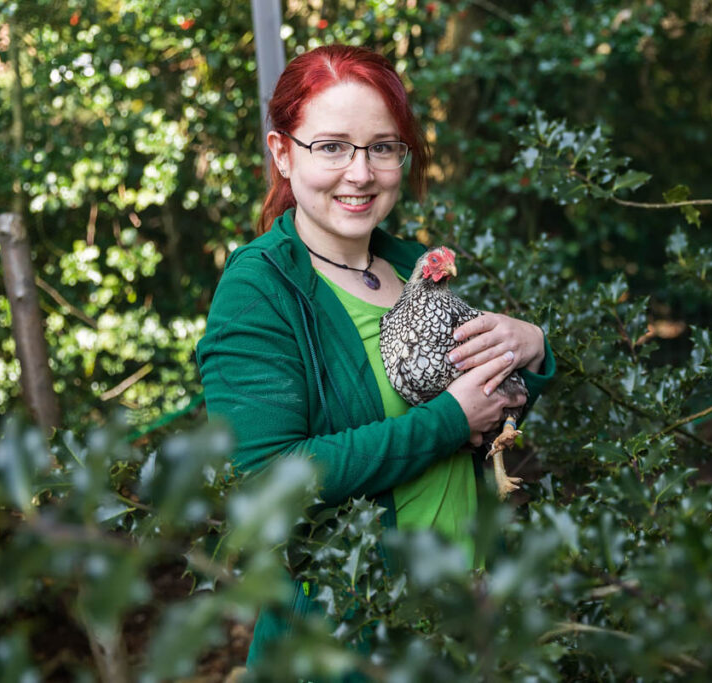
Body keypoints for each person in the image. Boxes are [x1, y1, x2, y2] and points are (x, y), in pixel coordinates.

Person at [196, 45, 555, 667]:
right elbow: (266, 478)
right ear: (282, 153)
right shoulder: (260, 291)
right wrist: (448, 421)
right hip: (351, 633)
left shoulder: (414, 264)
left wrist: (531, 349)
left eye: (382, 147)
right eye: (332, 146)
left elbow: (488, 410)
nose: (360, 173)